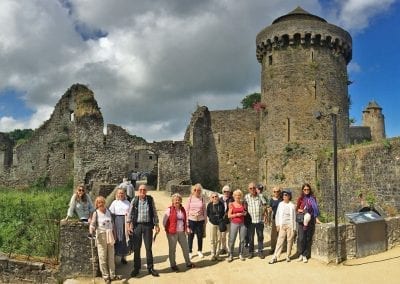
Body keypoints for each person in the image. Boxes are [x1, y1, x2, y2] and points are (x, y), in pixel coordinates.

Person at [127, 184, 160, 277]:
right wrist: (129, 225)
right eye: (141, 190)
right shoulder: (135, 200)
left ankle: (150, 268)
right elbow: (130, 213)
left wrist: (157, 224)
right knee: (137, 248)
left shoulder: (150, 199)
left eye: (144, 190)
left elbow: (154, 211)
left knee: (148, 248)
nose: (142, 191)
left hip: (148, 226)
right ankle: (136, 268)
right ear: (138, 191)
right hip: (137, 226)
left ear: (146, 191)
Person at [89, 196, 119, 283]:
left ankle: (112, 275)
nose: (101, 204)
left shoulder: (108, 211)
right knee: (102, 256)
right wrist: (91, 231)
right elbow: (92, 225)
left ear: (104, 203)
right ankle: (106, 276)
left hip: (110, 235)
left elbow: (112, 224)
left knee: (111, 256)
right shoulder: (96, 213)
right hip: (101, 236)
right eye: (99, 203)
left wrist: (115, 234)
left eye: (102, 202)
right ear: (97, 204)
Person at [163, 193, 195, 271]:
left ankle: (188, 263)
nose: (177, 201)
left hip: (181, 232)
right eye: (175, 200)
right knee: (172, 249)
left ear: (180, 201)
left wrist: (186, 228)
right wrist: (168, 230)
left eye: (178, 200)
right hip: (172, 233)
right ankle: (173, 265)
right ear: (173, 201)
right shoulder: (169, 209)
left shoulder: (183, 209)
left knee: (186, 248)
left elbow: (185, 220)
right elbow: (164, 221)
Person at [269, 189, 297, 264]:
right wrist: (277, 224)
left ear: (289, 196)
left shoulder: (292, 205)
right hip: (282, 225)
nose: (284, 196)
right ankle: (275, 257)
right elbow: (277, 215)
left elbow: (294, 218)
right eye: (284, 195)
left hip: (290, 225)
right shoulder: (280, 204)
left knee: (289, 241)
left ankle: (288, 256)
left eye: (286, 195)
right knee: (279, 241)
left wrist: (294, 228)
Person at [296, 183, 321, 263]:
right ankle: (300, 253)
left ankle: (304, 255)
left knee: (307, 238)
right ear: (302, 190)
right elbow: (297, 209)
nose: (306, 191)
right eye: (305, 189)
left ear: (310, 190)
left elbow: (315, 209)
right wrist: (302, 210)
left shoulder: (313, 198)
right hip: (301, 221)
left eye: (308, 189)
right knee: (301, 238)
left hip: (310, 221)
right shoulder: (300, 198)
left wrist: (316, 218)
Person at [244, 182, 268, 259]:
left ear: (256, 188)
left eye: (254, 188)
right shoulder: (246, 197)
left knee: (260, 236)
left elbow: (265, 206)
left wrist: (265, 215)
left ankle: (260, 252)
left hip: (259, 220)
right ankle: (251, 252)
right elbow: (245, 206)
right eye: (251, 188)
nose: (252, 189)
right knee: (251, 237)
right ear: (248, 189)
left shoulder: (260, 196)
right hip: (251, 221)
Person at [108, 188, 131, 264]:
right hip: (117, 222)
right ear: (117, 194)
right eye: (119, 193)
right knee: (117, 238)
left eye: (122, 193)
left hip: (126, 222)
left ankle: (123, 257)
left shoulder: (128, 202)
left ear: (124, 194)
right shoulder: (114, 203)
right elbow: (110, 213)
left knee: (125, 239)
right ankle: (115, 257)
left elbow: (131, 213)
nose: (121, 194)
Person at [185, 183, 207, 259]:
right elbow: (186, 210)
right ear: (193, 190)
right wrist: (187, 222)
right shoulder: (190, 199)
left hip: (200, 220)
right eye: (195, 190)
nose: (197, 191)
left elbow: (204, 210)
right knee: (190, 236)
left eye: (198, 190)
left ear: (200, 191)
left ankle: (199, 251)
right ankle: (190, 251)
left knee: (200, 236)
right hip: (191, 220)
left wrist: (205, 221)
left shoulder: (202, 199)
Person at [227, 189, 247, 262]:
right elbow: (229, 215)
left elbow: (245, 212)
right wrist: (236, 214)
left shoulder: (242, 203)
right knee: (232, 239)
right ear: (234, 196)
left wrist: (244, 213)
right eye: (236, 195)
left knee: (242, 240)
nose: (238, 196)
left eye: (239, 195)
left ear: (241, 196)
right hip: (234, 223)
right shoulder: (231, 204)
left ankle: (241, 254)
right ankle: (230, 254)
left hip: (242, 224)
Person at [206, 192, 225, 261]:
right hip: (212, 224)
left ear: (218, 197)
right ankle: (212, 254)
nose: (214, 198)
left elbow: (223, 213)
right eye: (213, 197)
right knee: (212, 239)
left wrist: (219, 219)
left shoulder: (221, 204)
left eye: (216, 196)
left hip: (219, 223)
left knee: (219, 239)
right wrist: (212, 218)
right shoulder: (209, 205)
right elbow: (207, 213)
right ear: (211, 198)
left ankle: (217, 254)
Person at [267, 186, 282, 253]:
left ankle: (280, 248)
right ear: (273, 192)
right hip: (274, 219)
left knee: (281, 234)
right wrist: (269, 211)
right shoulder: (271, 200)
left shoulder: (282, 199)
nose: (276, 193)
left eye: (278, 191)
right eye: (274, 191)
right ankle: (273, 248)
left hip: (282, 219)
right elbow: (269, 209)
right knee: (273, 234)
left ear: (280, 192)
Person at [219, 185, 233, 255]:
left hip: (230, 220)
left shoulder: (232, 199)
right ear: (223, 192)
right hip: (222, 221)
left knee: (230, 235)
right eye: (225, 191)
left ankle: (230, 249)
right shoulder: (220, 199)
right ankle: (223, 248)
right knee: (223, 236)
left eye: (228, 191)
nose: (226, 193)